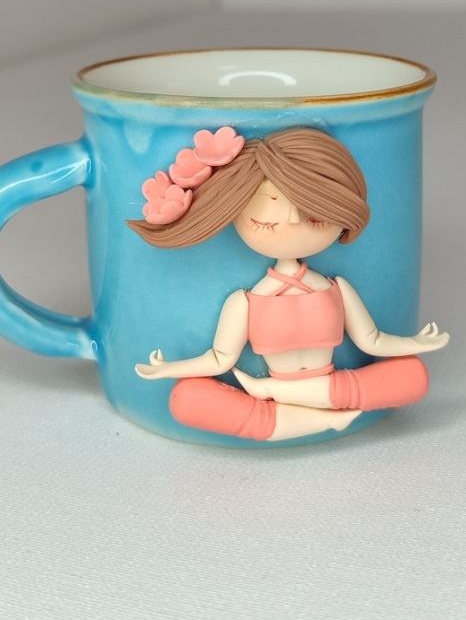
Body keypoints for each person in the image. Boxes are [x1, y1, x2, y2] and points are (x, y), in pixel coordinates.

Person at [128, 127, 448, 442]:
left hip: (333, 384)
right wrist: (169, 369)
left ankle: (278, 397)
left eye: (313, 209)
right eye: (271, 202)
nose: (294, 217)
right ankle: (322, 414)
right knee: (187, 398)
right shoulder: (245, 302)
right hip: (336, 392)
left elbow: (372, 341)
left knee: (412, 375)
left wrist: (417, 343)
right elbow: (219, 358)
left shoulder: (335, 289)